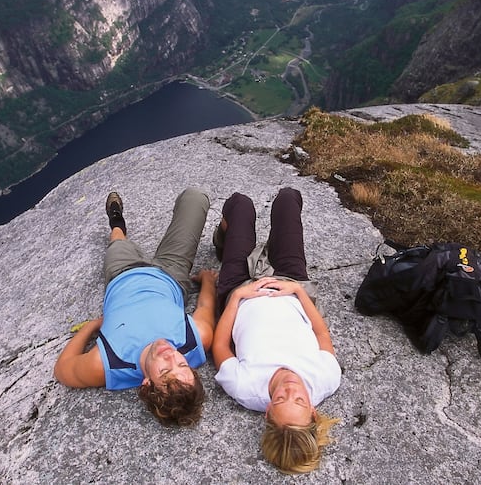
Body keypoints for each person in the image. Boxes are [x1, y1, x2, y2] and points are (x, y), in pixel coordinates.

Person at [53, 188, 217, 426]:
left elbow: (62, 369)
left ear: (147, 383)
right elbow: (205, 304)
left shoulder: (108, 363)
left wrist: (89, 329)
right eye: (182, 365)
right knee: (195, 198)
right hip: (172, 273)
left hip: (123, 273)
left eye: (164, 371)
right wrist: (208, 282)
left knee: (118, 242)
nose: (171, 356)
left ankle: (116, 221)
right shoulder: (195, 341)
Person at [211, 187, 341, 473]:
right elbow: (321, 335)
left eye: (281, 399)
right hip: (291, 283)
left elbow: (219, 346)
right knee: (287, 198)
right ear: (312, 411)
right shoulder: (326, 378)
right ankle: (265, 247)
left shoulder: (245, 388)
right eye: (299, 399)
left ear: (268, 412)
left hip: (239, 286)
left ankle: (224, 236)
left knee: (241, 203)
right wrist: (296, 289)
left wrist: (235, 298)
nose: (290, 389)